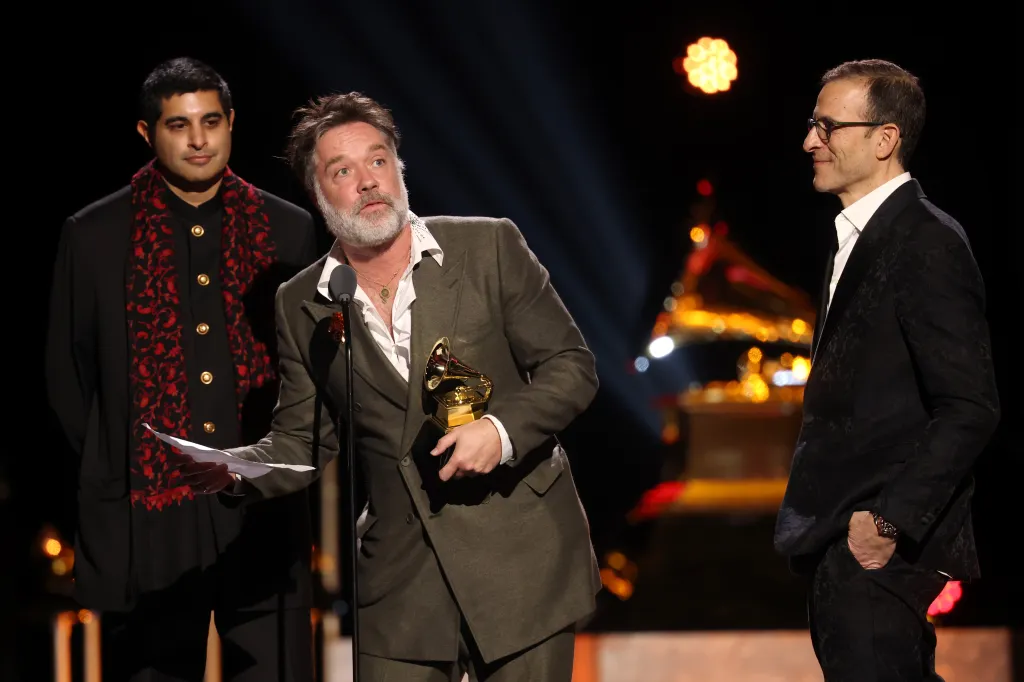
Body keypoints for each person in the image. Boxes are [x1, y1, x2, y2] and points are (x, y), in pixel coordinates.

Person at [181, 91, 602, 681]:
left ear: (398, 169)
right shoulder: (302, 300)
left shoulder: (488, 247)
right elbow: (303, 439)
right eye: (342, 171)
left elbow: (571, 366)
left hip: (519, 562)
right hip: (401, 581)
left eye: (377, 161)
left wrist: (501, 430)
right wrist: (235, 468)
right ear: (318, 193)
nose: (367, 182)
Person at [45, 57, 319, 682]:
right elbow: (68, 378)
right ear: (148, 134)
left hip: (262, 519)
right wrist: (115, 470)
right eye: (178, 125)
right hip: (146, 523)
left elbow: (309, 373)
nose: (198, 140)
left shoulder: (288, 229)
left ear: (231, 125)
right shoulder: (93, 236)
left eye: (211, 122)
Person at [774, 59, 1000, 681]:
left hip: (877, 544)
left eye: (827, 126)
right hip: (845, 539)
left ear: (884, 139)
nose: (809, 141)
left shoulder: (926, 242)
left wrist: (887, 523)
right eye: (811, 124)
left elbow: (970, 406)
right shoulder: (858, 236)